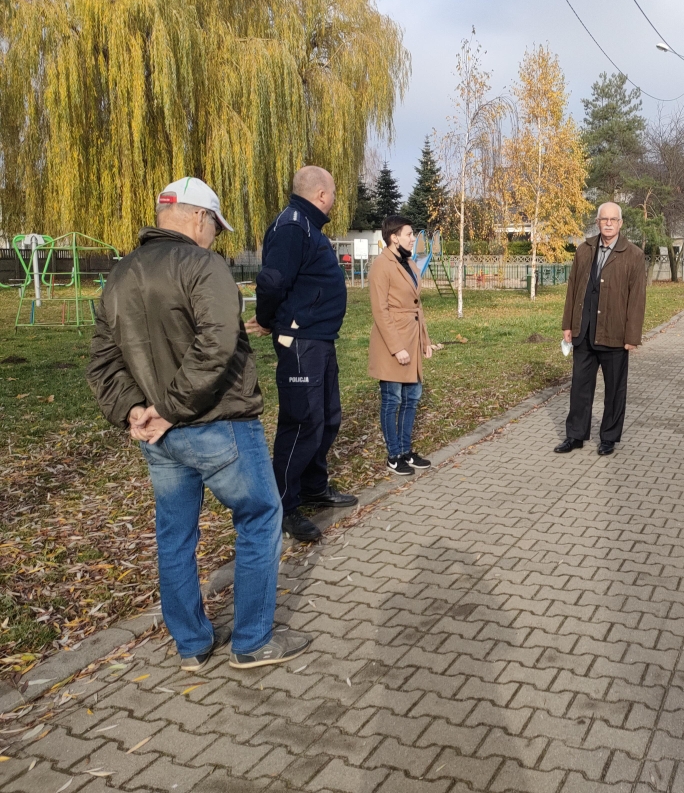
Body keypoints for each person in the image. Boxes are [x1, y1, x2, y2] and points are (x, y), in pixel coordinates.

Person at [87, 177, 312, 671]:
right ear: (199, 218)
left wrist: (135, 410)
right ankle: (251, 641)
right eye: (215, 225)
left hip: (159, 436)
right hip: (218, 423)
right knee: (260, 517)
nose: (215, 236)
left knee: (175, 537)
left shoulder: (120, 275)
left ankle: (192, 644)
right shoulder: (203, 265)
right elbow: (217, 345)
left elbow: (103, 361)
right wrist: (167, 408)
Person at [251, 166, 357, 543]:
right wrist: (266, 320)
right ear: (321, 194)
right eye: (332, 193)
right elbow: (272, 280)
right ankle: (284, 504)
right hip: (300, 342)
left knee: (327, 417)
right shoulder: (292, 226)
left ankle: (314, 486)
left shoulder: (310, 228)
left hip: (321, 340)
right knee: (301, 422)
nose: (333, 200)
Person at [555, 202, 647, 456]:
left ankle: (609, 437)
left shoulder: (634, 255)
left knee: (615, 390)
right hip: (583, 332)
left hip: (615, 335)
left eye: (613, 219)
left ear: (620, 223)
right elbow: (573, 288)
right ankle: (575, 436)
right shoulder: (584, 250)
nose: (608, 223)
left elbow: (637, 299)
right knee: (579, 388)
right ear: (597, 222)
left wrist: (632, 337)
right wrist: (567, 325)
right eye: (603, 219)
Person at [368, 215, 434, 476]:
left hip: (412, 338)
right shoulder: (381, 266)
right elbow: (380, 310)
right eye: (408, 234)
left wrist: (425, 341)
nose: (412, 238)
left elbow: (418, 307)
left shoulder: (409, 263)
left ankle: (406, 450)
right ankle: (394, 455)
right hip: (391, 343)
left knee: (412, 398)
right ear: (394, 237)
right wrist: (397, 348)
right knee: (392, 399)